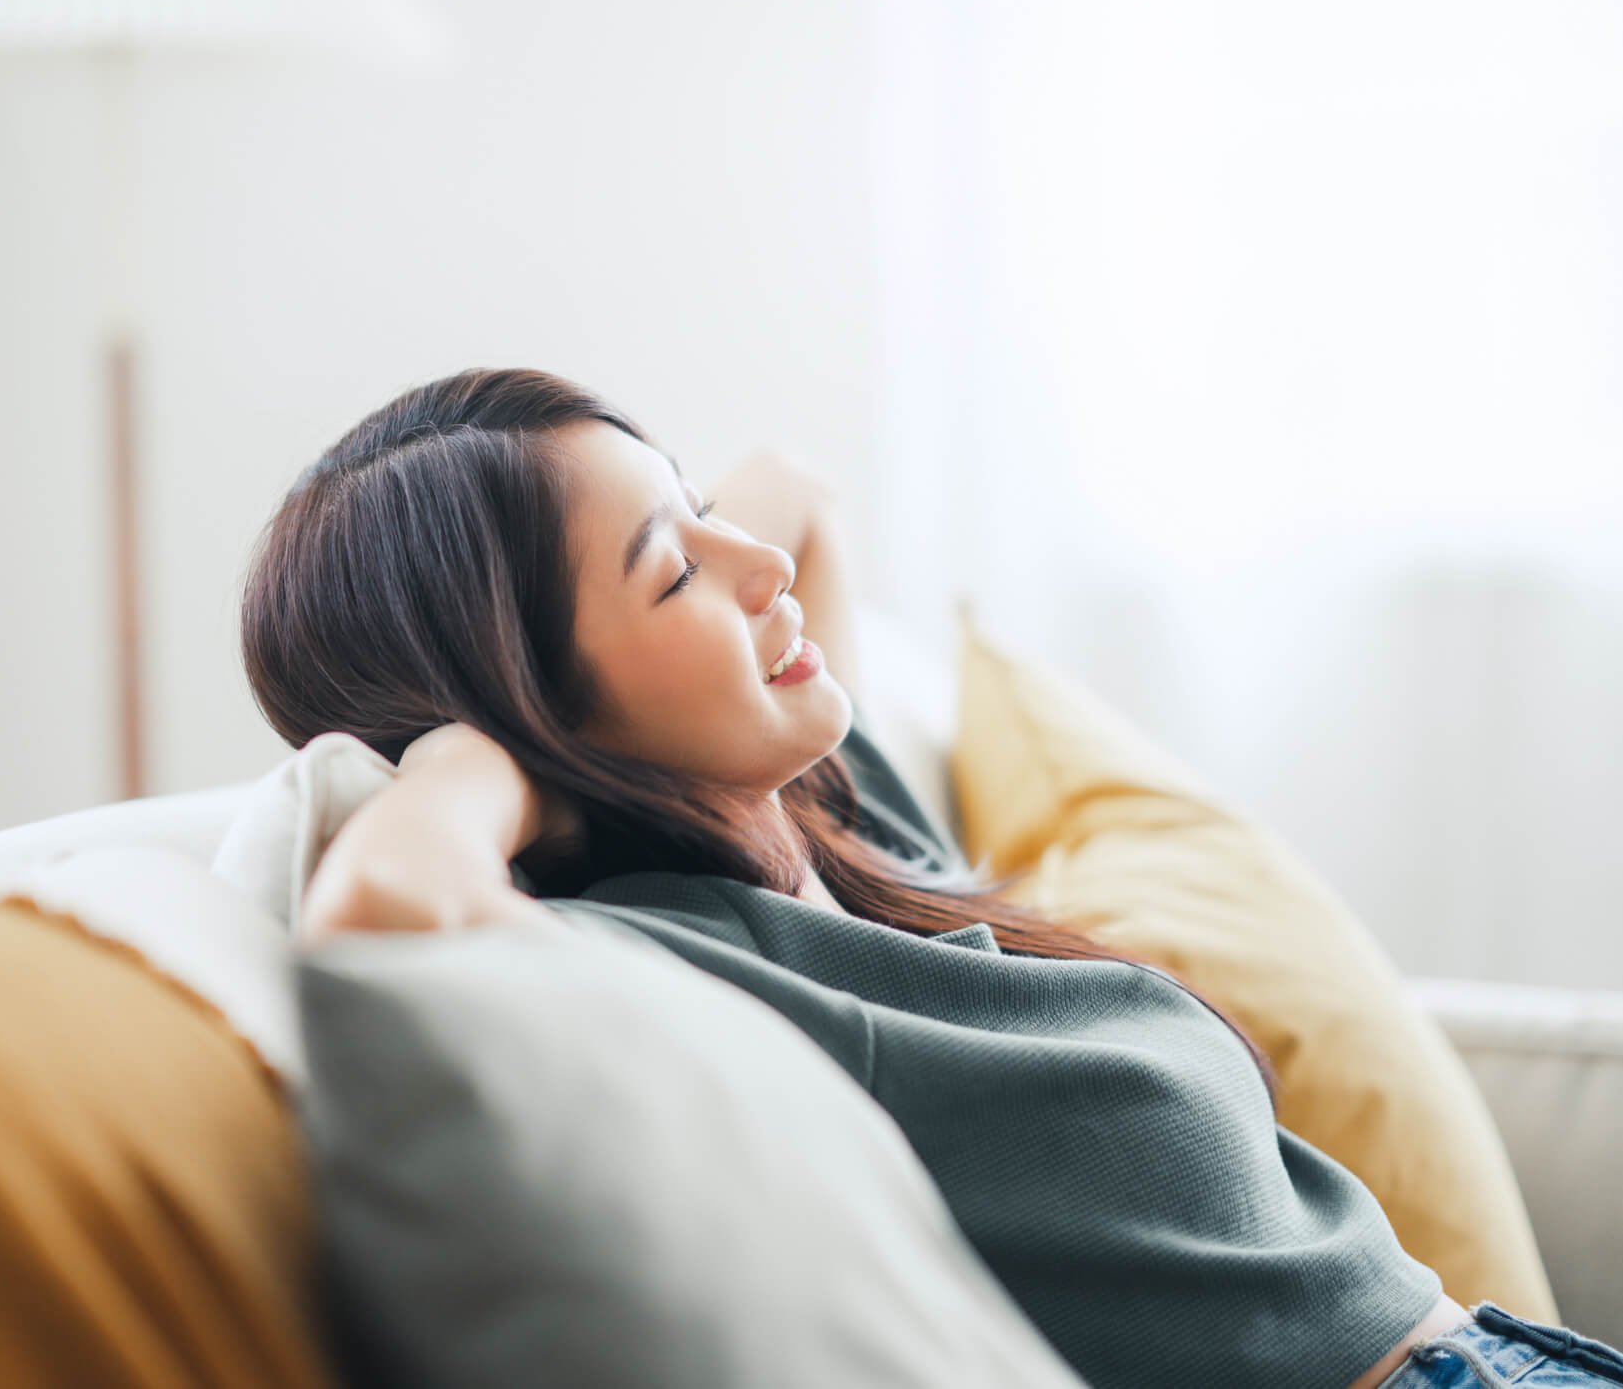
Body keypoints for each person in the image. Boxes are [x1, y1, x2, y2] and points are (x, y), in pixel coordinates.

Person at [239, 367, 1623, 1389]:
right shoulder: (684, 956)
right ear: (535, 708)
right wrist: (492, 759)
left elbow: (802, 498)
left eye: (700, 514)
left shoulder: (835, 838)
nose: (756, 560)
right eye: (674, 574)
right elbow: (383, 911)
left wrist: (663, 533)